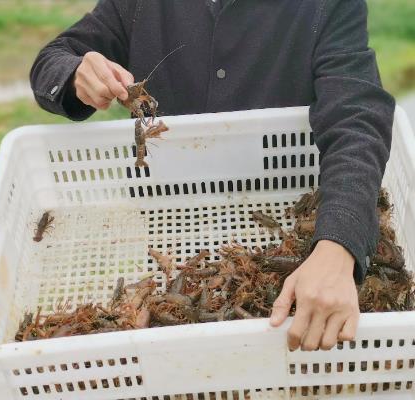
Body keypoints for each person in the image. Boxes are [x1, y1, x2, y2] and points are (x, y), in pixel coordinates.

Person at [29, 0, 395, 351]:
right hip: (170, 221)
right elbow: (53, 60)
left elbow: (357, 116)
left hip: (286, 220)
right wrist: (76, 72)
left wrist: (338, 244)